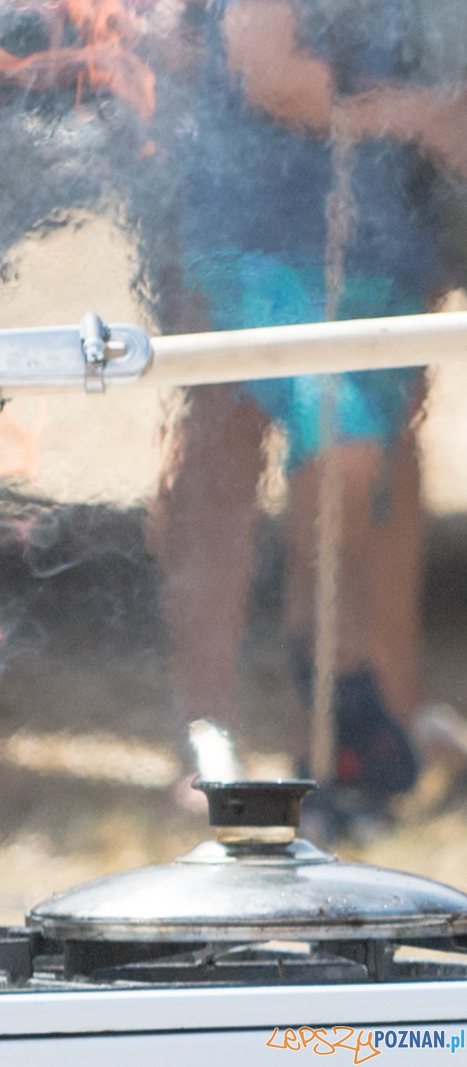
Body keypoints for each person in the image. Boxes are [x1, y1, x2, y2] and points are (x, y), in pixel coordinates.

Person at [152, 0, 467, 829]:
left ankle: (366, 728)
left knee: (374, 460)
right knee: (313, 449)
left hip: (386, 241)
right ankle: (238, 733)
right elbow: (271, 70)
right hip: (251, 229)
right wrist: (422, 114)